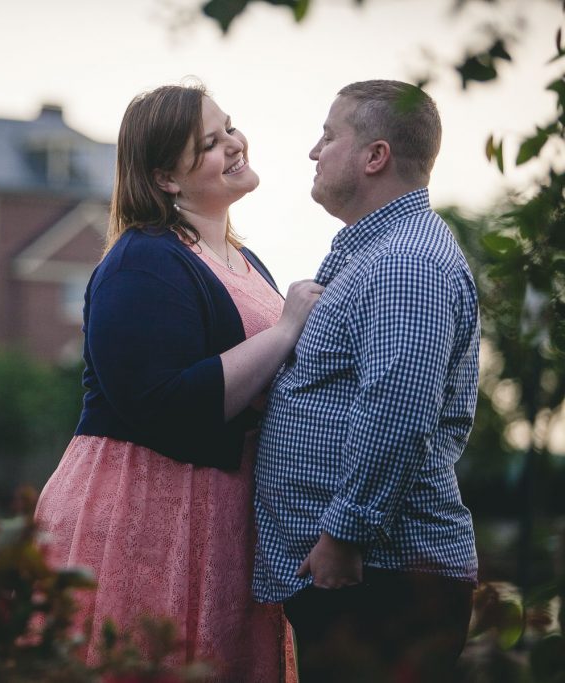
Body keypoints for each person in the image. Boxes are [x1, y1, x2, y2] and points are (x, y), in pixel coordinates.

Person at [34, 82, 322, 681]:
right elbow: (164, 404)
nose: (235, 145)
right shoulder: (142, 260)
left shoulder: (245, 261)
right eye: (210, 143)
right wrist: (288, 327)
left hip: (222, 511)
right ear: (166, 178)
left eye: (230, 128)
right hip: (147, 512)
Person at [253, 80, 480, 683]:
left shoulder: (405, 262)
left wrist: (344, 533)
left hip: (382, 579)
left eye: (329, 136)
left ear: (374, 156)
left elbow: (398, 410)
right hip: (367, 578)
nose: (314, 151)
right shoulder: (380, 251)